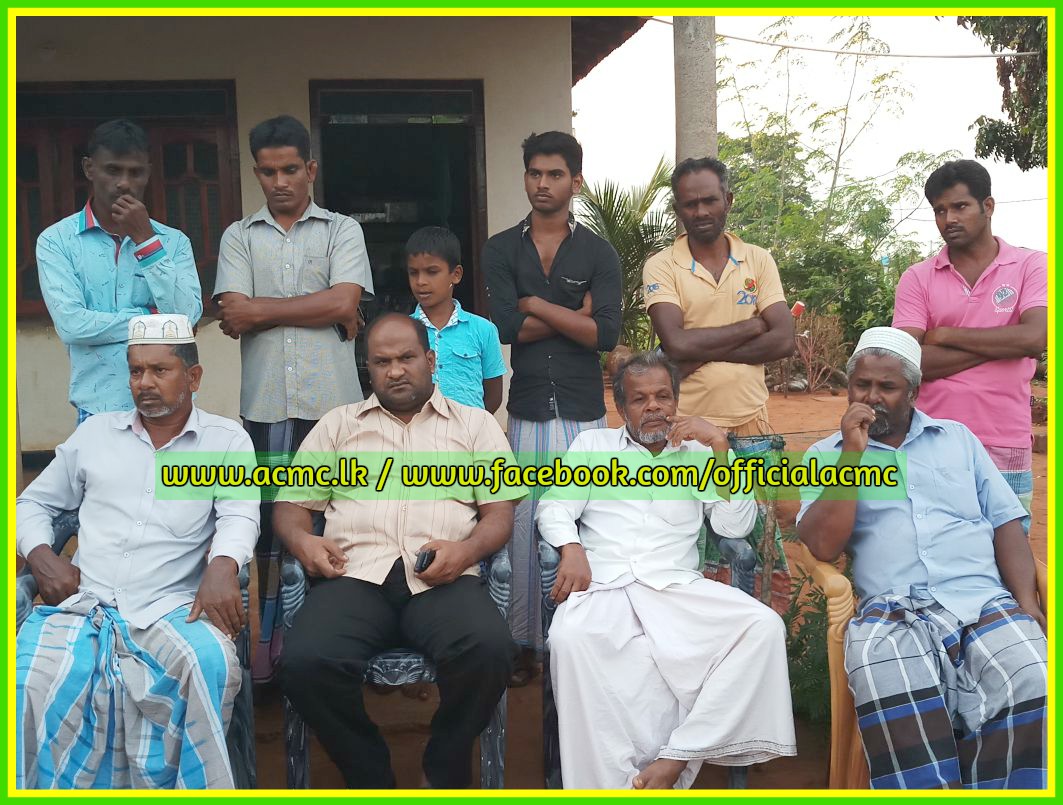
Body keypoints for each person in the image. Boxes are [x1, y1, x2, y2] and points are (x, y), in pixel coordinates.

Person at [275, 314, 523, 789]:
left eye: (406, 358)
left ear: (430, 359)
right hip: (354, 576)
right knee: (305, 662)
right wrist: (304, 541)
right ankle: (370, 777)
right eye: (382, 362)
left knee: (490, 651)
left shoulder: (475, 426)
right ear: (368, 368)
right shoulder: (338, 425)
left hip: (443, 578)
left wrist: (466, 551)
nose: (395, 371)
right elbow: (291, 506)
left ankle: (442, 769)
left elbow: (499, 514)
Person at [16, 314, 260, 789]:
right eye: (135, 371)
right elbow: (33, 503)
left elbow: (240, 515)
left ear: (193, 377)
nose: (144, 383)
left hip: (171, 608)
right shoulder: (95, 434)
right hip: (85, 607)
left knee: (209, 663)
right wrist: (42, 557)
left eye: (159, 370)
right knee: (25, 679)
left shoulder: (226, 441)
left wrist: (224, 564)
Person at [797, 326, 1046, 789]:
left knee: (1033, 676)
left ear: (912, 392)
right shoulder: (824, 454)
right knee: (896, 689)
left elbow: (1006, 522)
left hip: (980, 601)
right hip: (891, 610)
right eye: (861, 385)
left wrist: (1028, 604)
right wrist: (852, 456)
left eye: (887, 387)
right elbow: (822, 546)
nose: (872, 397)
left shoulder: (958, 439)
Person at [536, 350, 796, 789]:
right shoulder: (593, 447)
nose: (653, 406)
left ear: (676, 401)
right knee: (569, 638)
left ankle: (678, 756)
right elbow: (555, 506)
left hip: (675, 589)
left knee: (762, 627)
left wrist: (720, 448)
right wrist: (571, 547)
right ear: (622, 408)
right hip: (605, 584)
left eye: (662, 396)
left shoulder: (699, 453)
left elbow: (734, 526)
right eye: (640, 399)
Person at [212, 114, 374, 684]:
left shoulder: (341, 230)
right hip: (264, 408)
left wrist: (264, 309)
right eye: (267, 172)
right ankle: (267, 652)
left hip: (333, 412)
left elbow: (344, 302)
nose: (279, 182)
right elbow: (233, 313)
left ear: (310, 169)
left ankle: (329, 649)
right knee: (266, 533)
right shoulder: (238, 236)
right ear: (256, 173)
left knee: (337, 524)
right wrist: (319, 305)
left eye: (289, 170)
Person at [482, 130, 622, 675]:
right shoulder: (501, 248)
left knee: (587, 524)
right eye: (535, 173)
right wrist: (573, 315)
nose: (543, 183)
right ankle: (524, 643)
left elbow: (605, 334)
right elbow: (505, 327)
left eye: (555, 174)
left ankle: (580, 638)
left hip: (585, 412)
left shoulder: (598, 252)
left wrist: (536, 304)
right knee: (524, 525)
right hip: (528, 410)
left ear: (576, 182)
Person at [643, 157, 795, 605]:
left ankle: (759, 635)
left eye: (709, 200)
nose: (701, 211)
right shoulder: (662, 266)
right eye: (689, 204)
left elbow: (783, 339)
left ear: (728, 200)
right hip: (686, 433)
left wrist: (698, 349)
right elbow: (674, 342)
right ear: (678, 209)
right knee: (691, 548)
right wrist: (751, 325)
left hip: (751, 429)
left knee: (758, 548)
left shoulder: (758, 260)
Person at [892, 159, 1047, 533]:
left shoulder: (1031, 266)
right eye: (939, 210)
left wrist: (944, 335)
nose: (949, 219)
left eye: (960, 206)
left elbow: (1035, 338)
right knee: (931, 547)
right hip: (932, 441)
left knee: (1006, 551)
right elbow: (906, 364)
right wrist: (1005, 343)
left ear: (987, 206)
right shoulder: (918, 278)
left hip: (1004, 440)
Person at [36, 119, 203, 424]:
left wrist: (146, 241)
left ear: (148, 173)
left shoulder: (174, 242)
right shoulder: (56, 241)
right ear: (89, 168)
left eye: (135, 172)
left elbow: (187, 316)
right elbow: (71, 325)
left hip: (171, 409)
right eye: (113, 170)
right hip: (98, 409)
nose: (124, 183)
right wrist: (152, 317)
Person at [406, 226, 506, 412]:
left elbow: (494, 396)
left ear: (456, 274)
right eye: (413, 273)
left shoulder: (483, 329)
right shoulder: (403, 331)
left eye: (432, 272)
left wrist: (472, 423)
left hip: (470, 428)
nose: (421, 281)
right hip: (417, 427)